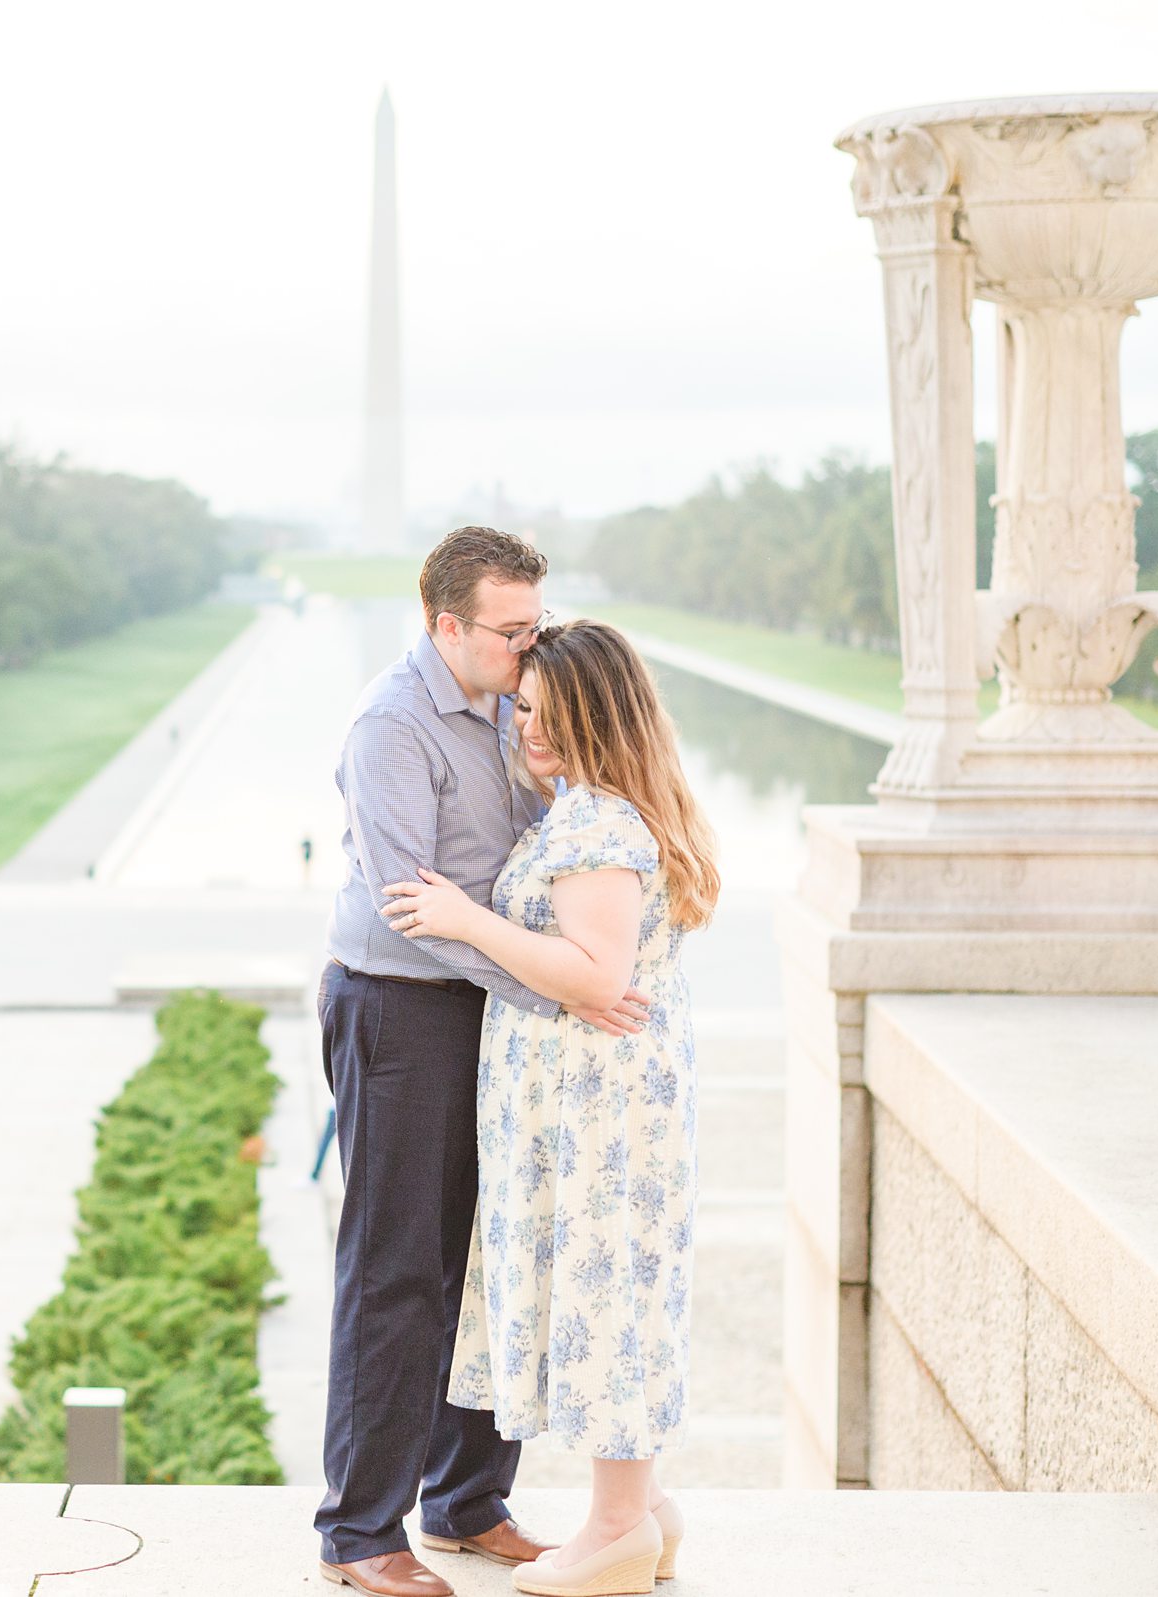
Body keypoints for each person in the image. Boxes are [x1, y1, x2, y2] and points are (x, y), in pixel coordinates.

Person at [316, 527, 649, 1597]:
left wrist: (560, 979)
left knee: (487, 1262)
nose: (526, 649)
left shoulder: (522, 699)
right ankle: (360, 1530)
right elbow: (413, 912)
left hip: (495, 1016)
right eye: (509, 632)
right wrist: (563, 982)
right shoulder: (391, 728)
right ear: (443, 624)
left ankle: (467, 1500)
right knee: (397, 1272)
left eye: (535, 627)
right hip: (400, 1014)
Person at [382, 619, 719, 1597]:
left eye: (549, 713)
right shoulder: (596, 807)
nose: (526, 729)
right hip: (597, 1098)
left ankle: (615, 1528)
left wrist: (462, 917)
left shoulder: (600, 823)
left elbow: (594, 970)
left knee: (608, 1291)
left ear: (598, 717)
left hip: (603, 1111)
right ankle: (641, 1511)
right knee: (614, 1286)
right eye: (523, 707)